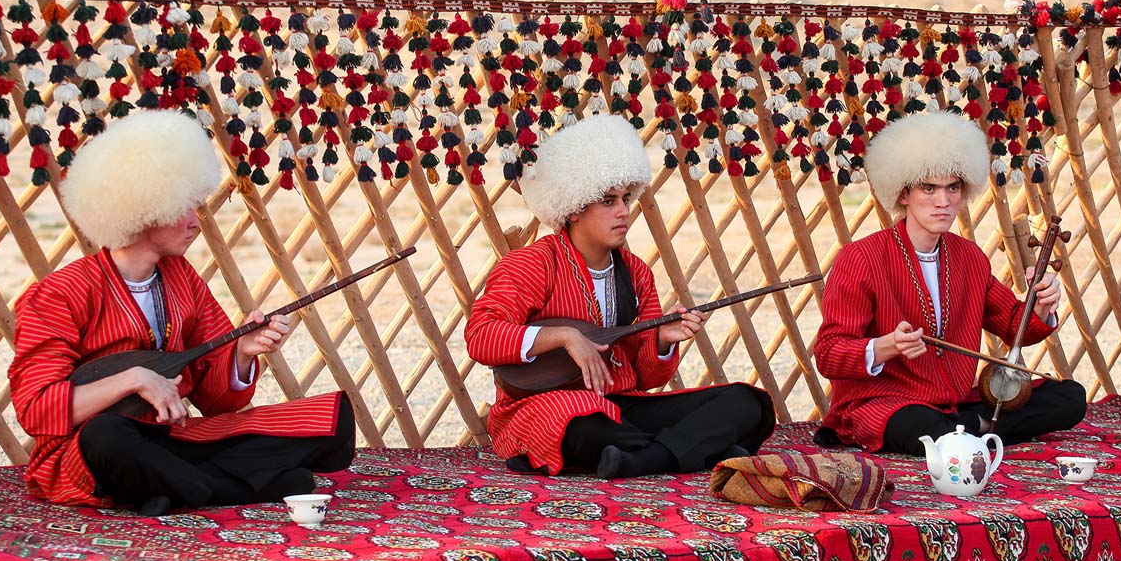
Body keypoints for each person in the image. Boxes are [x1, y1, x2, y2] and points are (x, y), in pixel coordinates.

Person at [9, 110, 355, 515]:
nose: (196, 222)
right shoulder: (60, 294)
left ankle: (170, 489)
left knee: (328, 422)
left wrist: (242, 352)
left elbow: (217, 403)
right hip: (92, 451)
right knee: (106, 436)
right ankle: (222, 488)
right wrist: (135, 379)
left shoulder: (181, 278)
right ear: (143, 210)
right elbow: (36, 409)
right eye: (182, 208)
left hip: (173, 437)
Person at [465, 115, 774, 479]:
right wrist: (564, 337)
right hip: (548, 406)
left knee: (748, 404)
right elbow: (480, 336)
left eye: (626, 198)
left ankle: (643, 459)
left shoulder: (636, 273)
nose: (624, 211)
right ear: (575, 207)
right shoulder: (533, 264)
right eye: (608, 201)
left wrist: (660, 342)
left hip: (621, 405)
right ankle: (696, 448)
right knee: (584, 428)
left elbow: (644, 377)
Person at [813, 111, 1086, 455]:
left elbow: (1018, 330)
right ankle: (979, 429)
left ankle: (967, 430)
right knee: (918, 427)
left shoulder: (969, 258)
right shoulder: (862, 258)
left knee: (1070, 398)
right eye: (929, 188)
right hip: (885, 403)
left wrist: (1042, 306)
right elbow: (828, 355)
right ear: (903, 193)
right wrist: (886, 346)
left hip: (956, 403)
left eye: (952, 188)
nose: (942, 202)